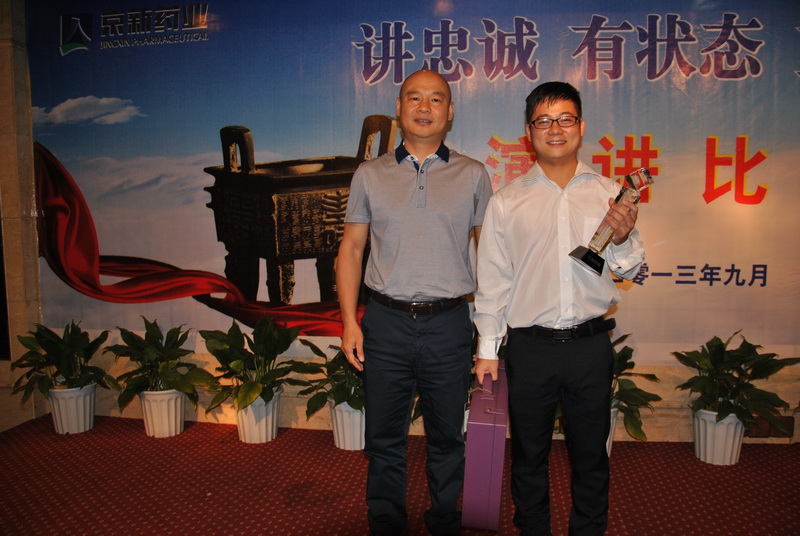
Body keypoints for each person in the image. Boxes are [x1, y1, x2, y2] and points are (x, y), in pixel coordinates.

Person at [473, 81, 645, 535]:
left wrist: (623, 236)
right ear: (529, 132)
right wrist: (487, 350)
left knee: (591, 456)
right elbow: (493, 282)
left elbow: (631, 267)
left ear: (581, 126)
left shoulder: (610, 192)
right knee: (528, 454)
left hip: (589, 345)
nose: (555, 129)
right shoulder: (507, 201)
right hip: (530, 348)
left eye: (565, 118)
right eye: (543, 121)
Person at [336, 69, 493, 535]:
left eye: (436, 99)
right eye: (415, 98)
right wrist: (349, 322)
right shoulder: (370, 174)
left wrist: (490, 330)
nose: (425, 108)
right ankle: (385, 522)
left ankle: (445, 520)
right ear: (399, 108)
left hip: (449, 322)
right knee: (384, 437)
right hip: (386, 322)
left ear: (450, 111)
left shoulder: (473, 174)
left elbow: (492, 255)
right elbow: (351, 250)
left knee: (447, 436)